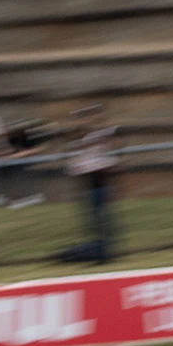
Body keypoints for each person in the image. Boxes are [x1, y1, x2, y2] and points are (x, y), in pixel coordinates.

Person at [60, 105, 120, 263]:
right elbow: (75, 166)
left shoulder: (97, 137)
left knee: (103, 220)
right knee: (94, 222)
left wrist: (91, 120)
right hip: (90, 186)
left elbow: (106, 130)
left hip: (100, 184)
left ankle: (105, 253)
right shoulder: (78, 145)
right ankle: (98, 251)